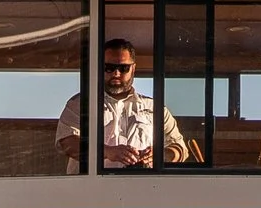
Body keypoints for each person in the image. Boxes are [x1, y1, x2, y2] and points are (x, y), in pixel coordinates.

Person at [58, 37, 190, 169]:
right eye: (108, 67)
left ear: (133, 68)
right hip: (93, 188)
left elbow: (180, 149)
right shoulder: (80, 104)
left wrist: (160, 155)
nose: (116, 73)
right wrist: (107, 151)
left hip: (142, 187)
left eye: (123, 68)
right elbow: (67, 142)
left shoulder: (155, 109)